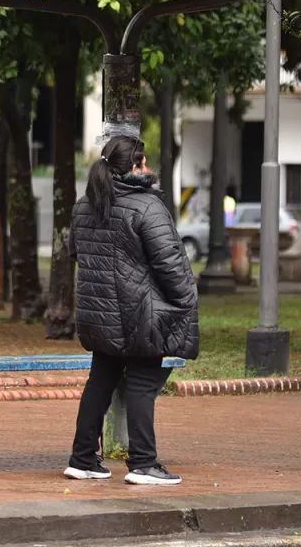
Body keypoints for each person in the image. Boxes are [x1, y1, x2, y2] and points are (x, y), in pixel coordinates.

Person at [63, 135, 198, 486]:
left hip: (98, 314)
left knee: (100, 381)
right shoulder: (147, 206)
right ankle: (143, 463)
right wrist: (185, 302)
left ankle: (82, 459)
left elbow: (77, 253)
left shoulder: (83, 206)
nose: (149, 168)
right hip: (140, 313)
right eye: (145, 161)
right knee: (141, 382)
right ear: (135, 167)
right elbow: (171, 265)